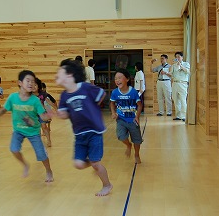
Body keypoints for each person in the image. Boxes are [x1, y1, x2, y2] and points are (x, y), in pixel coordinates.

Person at [56, 59, 113, 196]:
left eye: (60, 71)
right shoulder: (64, 95)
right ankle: (94, 163)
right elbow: (65, 115)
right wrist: (59, 114)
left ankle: (107, 185)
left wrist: (93, 107)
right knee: (78, 164)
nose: (56, 73)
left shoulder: (85, 87)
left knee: (95, 163)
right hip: (79, 135)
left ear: (69, 75)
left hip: (94, 132)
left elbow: (102, 93)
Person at [0, 70, 54, 182]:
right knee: (14, 149)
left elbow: (42, 116)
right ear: (20, 83)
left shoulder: (35, 101)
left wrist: (49, 115)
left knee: (42, 155)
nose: (31, 83)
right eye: (27, 81)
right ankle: (25, 165)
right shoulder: (13, 97)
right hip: (18, 131)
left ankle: (48, 170)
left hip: (33, 132)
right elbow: (4, 109)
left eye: (33, 81)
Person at [110, 68, 143, 164]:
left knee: (137, 140)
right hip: (121, 119)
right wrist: (113, 112)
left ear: (127, 79)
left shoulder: (133, 92)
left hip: (133, 120)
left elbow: (139, 105)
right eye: (116, 78)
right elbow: (112, 103)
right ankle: (128, 145)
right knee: (121, 136)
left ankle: (136, 154)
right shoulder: (115, 92)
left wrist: (137, 117)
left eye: (120, 78)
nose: (117, 80)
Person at [167, 52, 190, 122]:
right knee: (175, 99)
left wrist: (181, 66)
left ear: (182, 57)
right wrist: (167, 73)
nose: (177, 58)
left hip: (183, 83)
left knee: (183, 100)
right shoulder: (174, 66)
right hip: (175, 83)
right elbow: (171, 74)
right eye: (176, 57)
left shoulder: (186, 64)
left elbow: (188, 72)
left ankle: (184, 116)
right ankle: (178, 115)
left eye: (179, 57)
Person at [33, 78, 57, 147]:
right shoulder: (29, 95)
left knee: (44, 126)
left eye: (35, 85)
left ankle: (49, 140)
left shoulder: (42, 94)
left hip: (42, 113)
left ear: (38, 86)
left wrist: (56, 108)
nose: (34, 87)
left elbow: (49, 101)